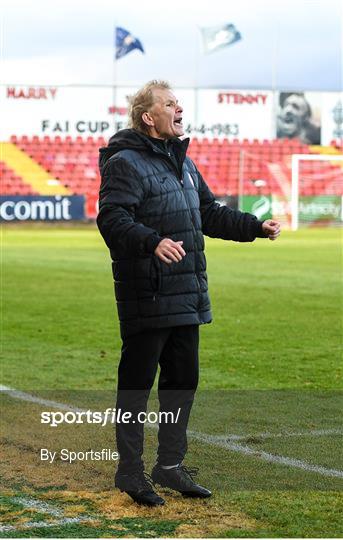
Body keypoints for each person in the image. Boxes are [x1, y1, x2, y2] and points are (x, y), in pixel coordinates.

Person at [97, 80, 281, 507]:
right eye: (170, 104)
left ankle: (170, 466)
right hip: (148, 293)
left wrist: (254, 227)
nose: (179, 108)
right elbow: (112, 218)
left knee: (182, 383)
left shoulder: (184, 163)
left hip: (186, 294)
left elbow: (209, 214)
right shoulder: (124, 162)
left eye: (179, 103)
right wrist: (151, 241)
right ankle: (129, 471)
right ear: (149, 117)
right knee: (137, 385)